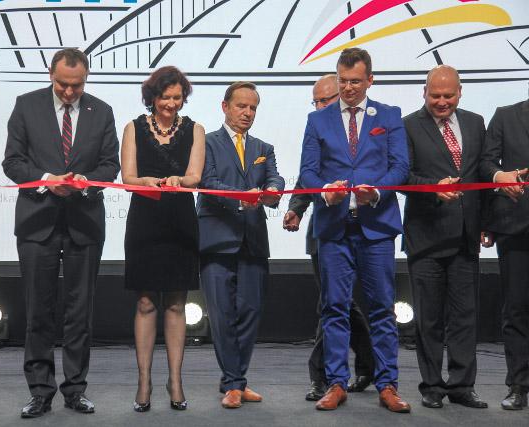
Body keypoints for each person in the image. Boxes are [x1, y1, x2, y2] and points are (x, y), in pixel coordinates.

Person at [2, 48, 120, 418]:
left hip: (84, 222)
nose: (69, 92)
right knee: (38, 310)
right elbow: (12, 161)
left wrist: (84, 182)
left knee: (79, 312)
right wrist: (46, 179)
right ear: (50, 75)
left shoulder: (102, 111)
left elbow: (110, 165)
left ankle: (75, 390)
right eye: (63, 85)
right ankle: (40, 392)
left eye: (77, 86)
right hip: (37, 222)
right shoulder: (26, 105)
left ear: (86, 79)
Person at [299, 47, 411, 412]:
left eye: (355, 82)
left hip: (376, 228)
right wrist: (324, 192)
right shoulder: (318, 120)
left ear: (370, 80)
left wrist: (376, 192)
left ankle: (388, 385)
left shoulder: (389, 116)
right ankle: (336, 383)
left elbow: (400, 167)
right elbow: (308, 172)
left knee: (381, 309)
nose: (348, 88)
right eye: (343, 81)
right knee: (334, 308)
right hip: (334, 227)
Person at [283, 74, 374, 402]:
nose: (320, 106)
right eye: (316, 101)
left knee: (339, 303)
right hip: (326, 231)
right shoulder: (317, 127)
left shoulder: (364, 128)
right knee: (336, 302)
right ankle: (332, 374)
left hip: (365, 229)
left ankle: (356, 367)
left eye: (326, 100)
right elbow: (308, 174)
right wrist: (296, 208)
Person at [121, 66, 205, 412]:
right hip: (145, 220)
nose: (171, 104)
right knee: (145, 303)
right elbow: (127, 178)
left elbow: (195, 176)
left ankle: (175, 380)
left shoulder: (195, 129)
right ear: (152, 97)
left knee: (175, 303)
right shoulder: (133, 127)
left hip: (180, 220)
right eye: (165, 97)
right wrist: (146, 181)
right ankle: (144, 381)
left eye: (177, 97)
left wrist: (179, 180)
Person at [403, 65, 487, 409]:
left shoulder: (475, 123)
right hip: (426, 238)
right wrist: (432, 189)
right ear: (424, 92)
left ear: (460, 92)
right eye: (435, 95)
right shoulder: (408, 125)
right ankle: (432, 387)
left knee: (465, 317)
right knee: (430, 320)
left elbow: (481, 172)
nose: (441, 101)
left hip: (466, 236)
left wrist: (487, 220)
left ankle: (463, 386)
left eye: (448, 95)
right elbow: (402, 176)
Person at [197, 81, 285, 409]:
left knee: (250, 312)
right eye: (241, 106)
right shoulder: (205, 142)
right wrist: (239, 198)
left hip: (253, 241)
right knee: (222, 316)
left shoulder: (264, 147)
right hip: (216, 241)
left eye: (253, 108)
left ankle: (234, 380)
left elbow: (275, 178)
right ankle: (235, 383)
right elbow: (208, 182)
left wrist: (273, 190)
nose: (247, 113)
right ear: (225, 107)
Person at [480, 92, 529, 410]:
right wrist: (501, 176)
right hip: (516, 227)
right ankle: (518, 385)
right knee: (516, 309)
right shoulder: (505, 115)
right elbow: (485, 164)